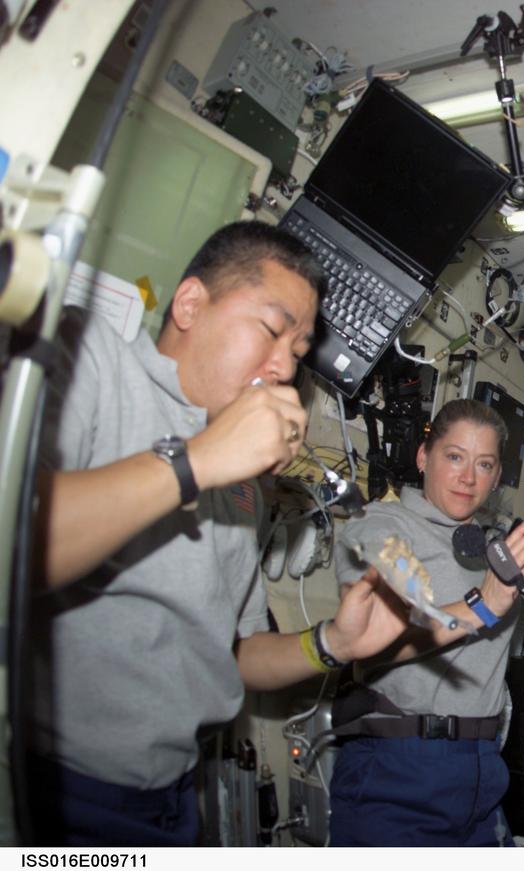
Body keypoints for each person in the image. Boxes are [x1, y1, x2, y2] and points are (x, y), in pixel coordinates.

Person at [30, 221, 409, 846]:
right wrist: (195, 460)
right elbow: (18, 539)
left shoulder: (244, 488)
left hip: (175, 794)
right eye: (271, 329)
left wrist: (336, 643)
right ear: (190, 303)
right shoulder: (91, 357)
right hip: (57, 788)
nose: (283, 363)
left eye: (297, 348)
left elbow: (234, 652)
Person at [327, 398, 524, 846]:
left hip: (483, 767)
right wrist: (482, 605)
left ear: (497, 477)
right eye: (454, 457)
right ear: (424, 457)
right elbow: (375, 636)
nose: (468, 478)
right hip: (401, 765)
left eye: (484, 465)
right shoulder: (383, 527)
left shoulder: (496, 545)